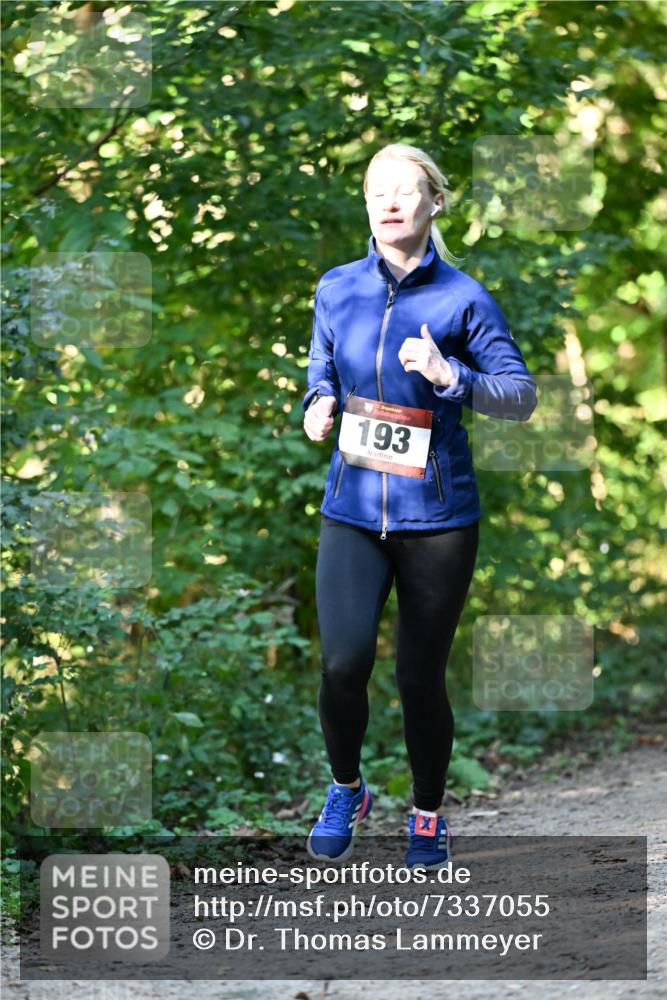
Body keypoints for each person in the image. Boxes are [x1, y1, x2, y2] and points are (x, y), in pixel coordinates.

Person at [302, 143, 537, 869]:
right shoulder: (336, 288)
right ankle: (348, 787)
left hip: (437, 520)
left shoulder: (463, 298)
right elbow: (321, 367)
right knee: (343, 663)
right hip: (352, 510)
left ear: (435, 203)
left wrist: (450, 374)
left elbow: (519, 396)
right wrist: (317, 402)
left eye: (407, 190)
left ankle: (428, 813)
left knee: (416, 677)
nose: (390, 201)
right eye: (378, 190)